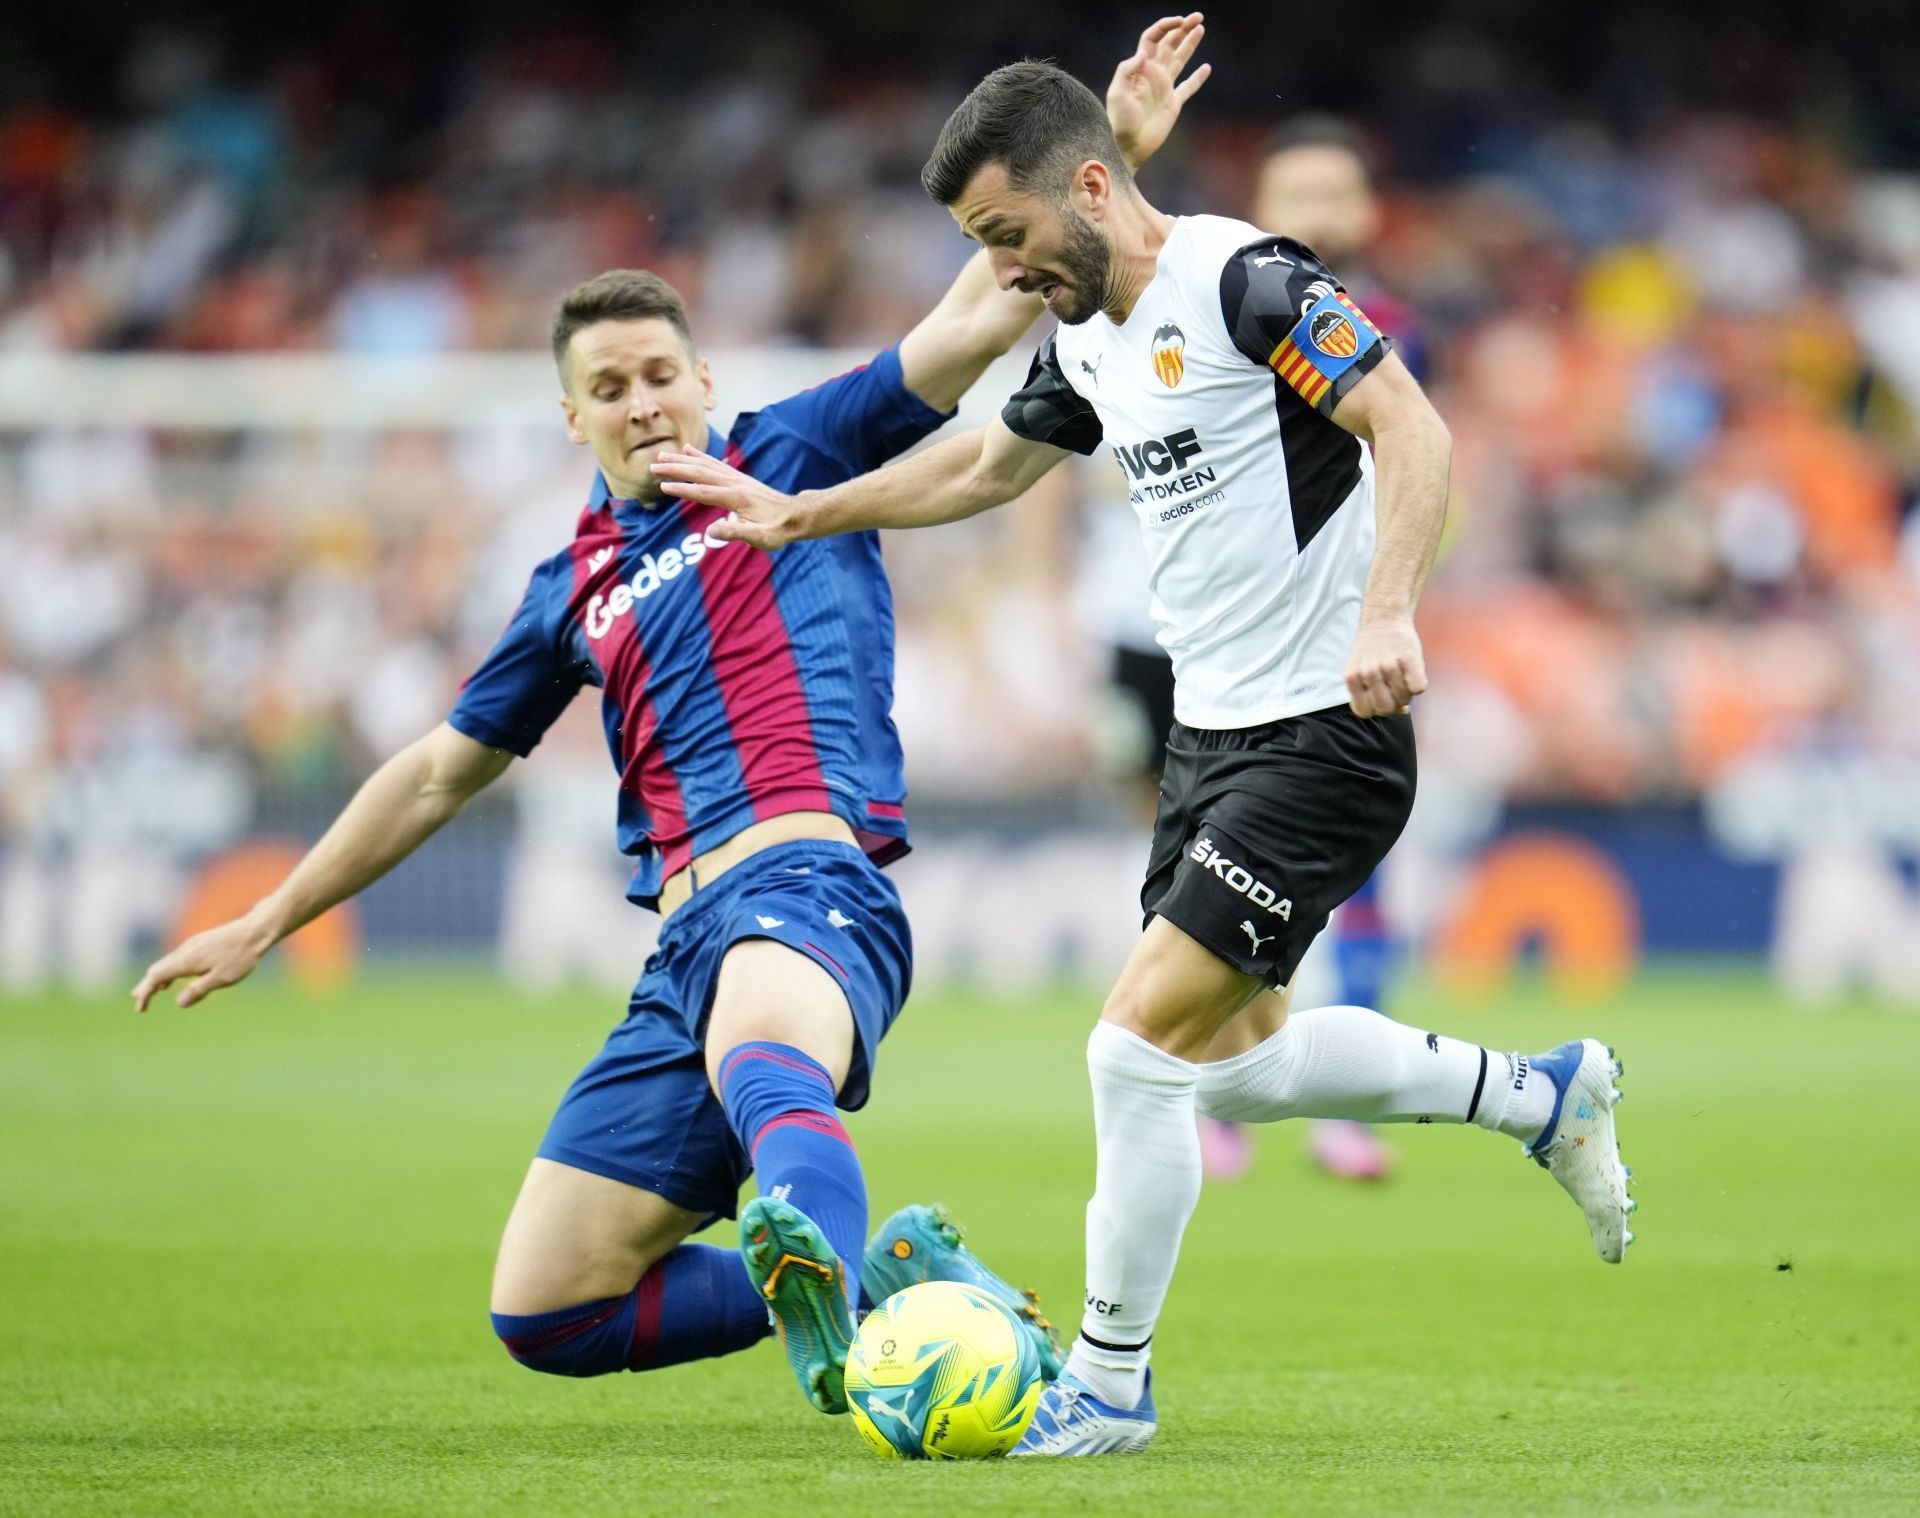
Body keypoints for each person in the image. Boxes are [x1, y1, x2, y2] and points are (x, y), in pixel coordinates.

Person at [129, 17, 1211, 1422]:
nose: (643, 406)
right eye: (610, 390)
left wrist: (1106, 149)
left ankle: (845, 1309)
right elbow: (431, 777)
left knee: (769, 1059)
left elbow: (975, 316)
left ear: (704, 380)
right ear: (568, 415)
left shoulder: (793, 452)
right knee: (549, 1306)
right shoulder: (562, 592)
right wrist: (268, 917)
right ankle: (894, 1291)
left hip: (809, 886)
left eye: (660, 376)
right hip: (678, 952)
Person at [653, 53, 1636, 1457]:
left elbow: (1411, 424)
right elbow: (984, 465)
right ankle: (1544, 1094)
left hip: (1325, 734)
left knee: (1128, 1049)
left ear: (1095, 187)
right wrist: (805, 510)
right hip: (1209, 741)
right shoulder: (1090, 335)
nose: (1001, 271)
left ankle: (1109, 1384)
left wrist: (1386, 609)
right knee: (1233, 1067)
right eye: (982, 246)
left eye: (1006, 236)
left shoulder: (1247, 285)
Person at [1199, 113, 1435, 1184]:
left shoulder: (1389, 329)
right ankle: (1231, 1102)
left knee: (1352, 867)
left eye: (1335, 194)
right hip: (1231, 630)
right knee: (1214, 865)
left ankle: (1342, 1109)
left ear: (1367, 211)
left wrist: (1397, 597)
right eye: (1297, 194)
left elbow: (1415, 455)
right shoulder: (1223, 311)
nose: (1317, 215)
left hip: (1354, 621)